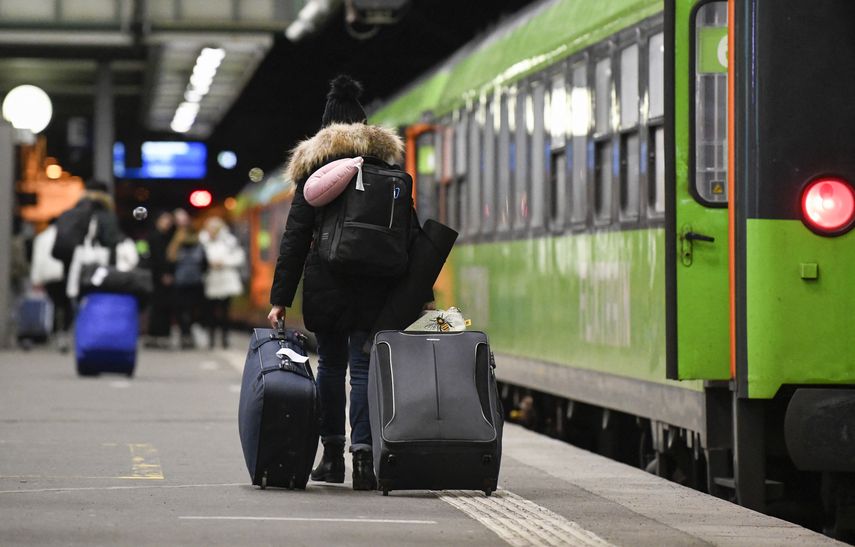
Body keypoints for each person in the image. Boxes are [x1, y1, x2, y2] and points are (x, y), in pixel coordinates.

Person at [268, 75, 429, 491]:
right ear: (364, 127)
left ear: (326, 129)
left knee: (330, 366)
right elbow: (410, 237)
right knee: (362, 368)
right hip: (377, 287)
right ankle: (363, 458)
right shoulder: (389, 173)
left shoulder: (315, 176)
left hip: (327, 283)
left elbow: (294, 240)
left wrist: (280, 299)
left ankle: (331, 457)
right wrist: (422, 297)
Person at [199, 216, 245, 349]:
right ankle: (211, 339)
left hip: (226, 280)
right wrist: (208, 264)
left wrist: (223, 262)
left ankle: (224, 339)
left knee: (225, 311)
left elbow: (239, 257)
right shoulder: (202, 241)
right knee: (210, 311)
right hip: (211, 280)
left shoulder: (230, 241)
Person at [30, 218, 71, 352]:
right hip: (64, 275)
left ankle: (53, 332)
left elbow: (38, 259)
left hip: (49, 276)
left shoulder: (41, 238)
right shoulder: (67, 236)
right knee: (66, 305)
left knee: (53, 304)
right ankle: (63, 332)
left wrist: (36, 279)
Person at [168, 209, 207, 350]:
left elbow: (171, 261)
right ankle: (187, 334)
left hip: (185, 281)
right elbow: (204, 263)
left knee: (185, 310)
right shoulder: (196, 245)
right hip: (190, 281)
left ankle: (186, 334)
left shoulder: (180, 245)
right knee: (187, 309)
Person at [145, 210, 176, 349]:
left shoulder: (170, 237)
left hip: (167, 277)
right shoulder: (153, 237)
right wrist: (162, 274)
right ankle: (154, 335)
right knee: (157, 307)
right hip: (156, 277)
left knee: (166, 308)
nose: (167, 223)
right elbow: (155, 258)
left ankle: (163, 335)